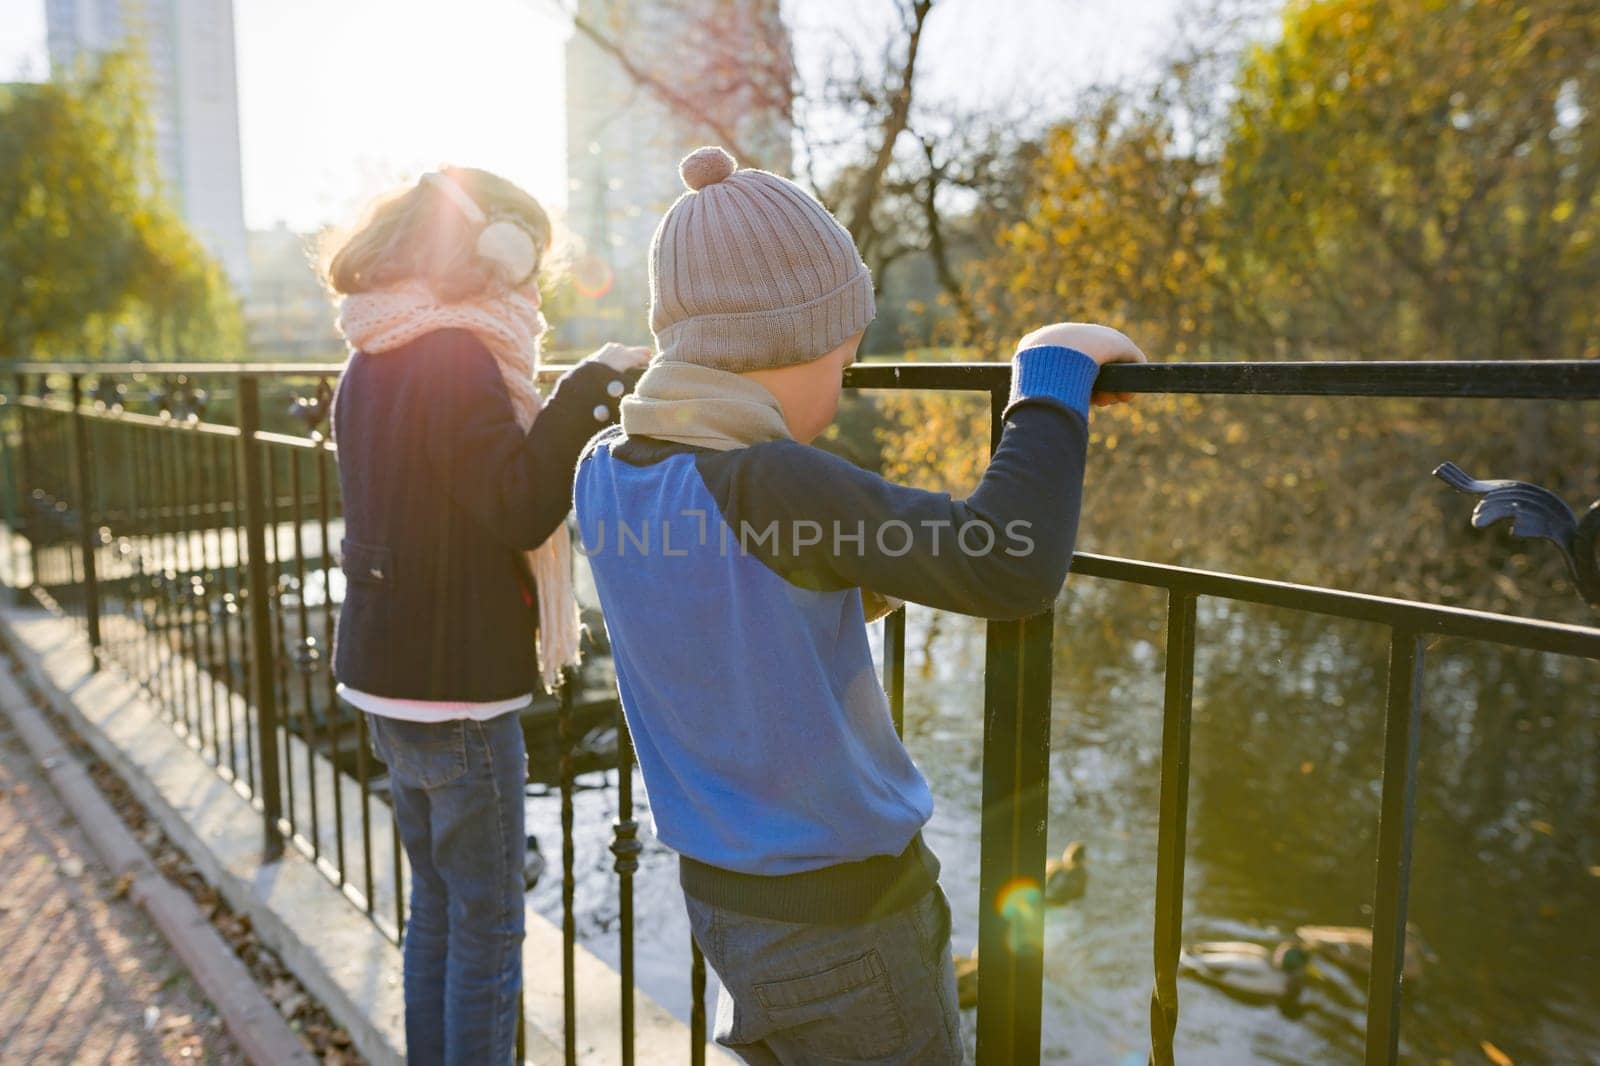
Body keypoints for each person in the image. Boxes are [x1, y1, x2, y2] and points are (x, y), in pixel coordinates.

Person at [573, 146, 1146, 1064]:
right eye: (846, 355)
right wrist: (1049, 378)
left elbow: (727, 607)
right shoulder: (771, 485)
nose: (847, 386)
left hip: (726, 904)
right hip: (849, 925)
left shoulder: (606, 470)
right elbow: (1007, 567)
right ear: (786, 344)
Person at [324, 165, 649, 1065]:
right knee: (489, 928)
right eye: (527, 260)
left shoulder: (372, 350)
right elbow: (516, 507)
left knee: (437, 910)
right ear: (492, 251)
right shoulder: (456, 355)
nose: (530, 283)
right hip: (458, 690)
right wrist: (588, 390)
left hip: (388, 681)